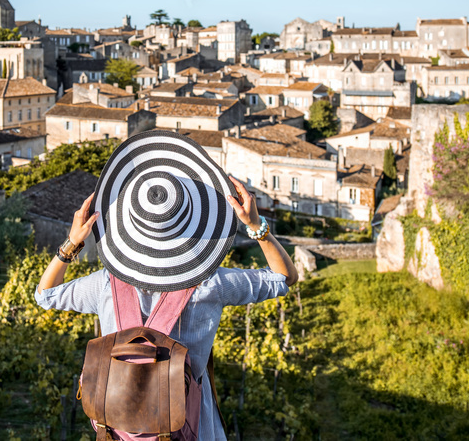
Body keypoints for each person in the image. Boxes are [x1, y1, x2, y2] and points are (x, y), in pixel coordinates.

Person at [36, 168, 298, 441]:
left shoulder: (106, 284)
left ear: (131, 225)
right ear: (192, 222)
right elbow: (285, 277)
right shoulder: (212, 284)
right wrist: (257, 226)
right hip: (193, 430)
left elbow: (45, 295)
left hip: (117, 431)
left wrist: (73, 243)